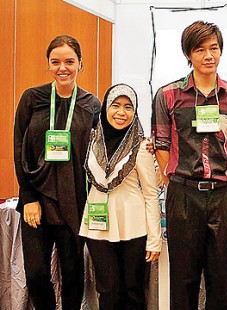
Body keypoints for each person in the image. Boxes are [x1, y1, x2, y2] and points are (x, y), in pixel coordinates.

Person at [151, 21, 227, 309]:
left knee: (221, 278)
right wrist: (178, 182)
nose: (209, 56)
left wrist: (223, 178)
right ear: (188, 54)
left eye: (214, 48)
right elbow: (161, 145)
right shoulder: (168, 95)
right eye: (201, 49)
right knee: (183, 278)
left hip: (223, 195)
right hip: (182, 194)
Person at [13, 34, 101, 310]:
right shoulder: (32, 98)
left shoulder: (91, 104)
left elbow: (100, 153)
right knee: (37, 274)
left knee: (73, 276)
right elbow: (19, 149)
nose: (63, 67)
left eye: (69, 61)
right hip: (37, 201)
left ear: (80, 64)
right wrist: (28, 197)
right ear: (48, 65)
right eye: (56, 62)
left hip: (75, 201)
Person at [79, 84, 161, 309]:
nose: (121, 112)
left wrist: (154, 239)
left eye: (128, 107)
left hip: (132, 227)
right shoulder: (91, 141)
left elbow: (151, 195)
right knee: (108, 290)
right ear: (105, 108)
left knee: (133, 291)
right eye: (115, 105)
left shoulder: (142, 146)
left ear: (135, 112)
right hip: (97, 226)